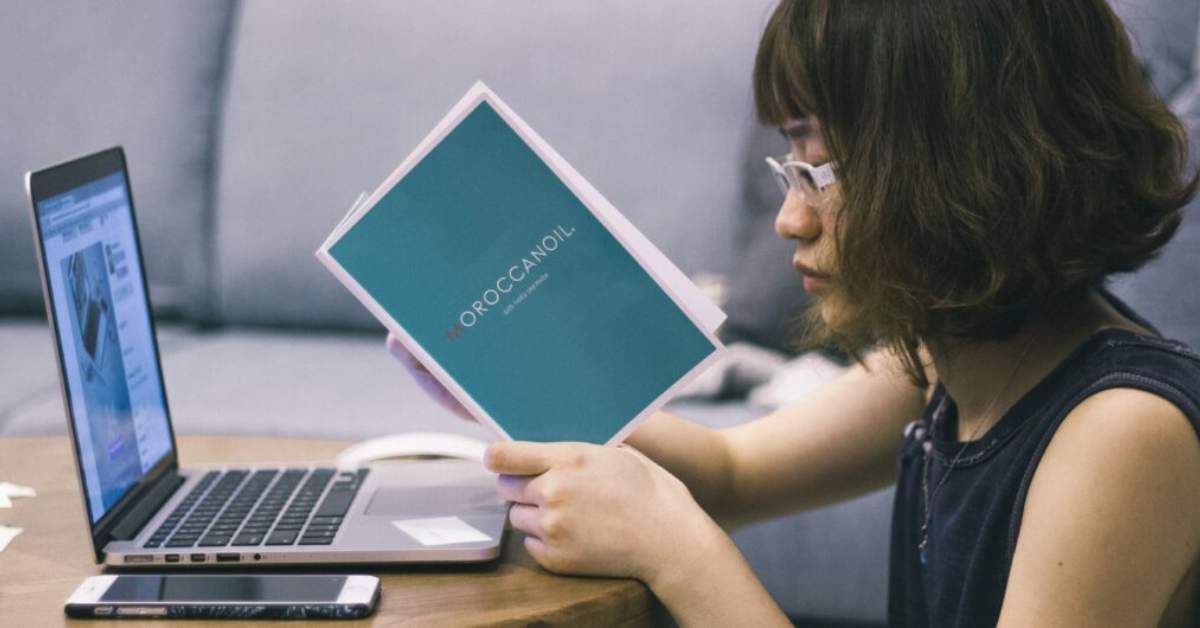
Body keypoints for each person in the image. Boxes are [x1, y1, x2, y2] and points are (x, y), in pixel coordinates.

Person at [391, 1, 1200, 625]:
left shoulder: (1122, 431)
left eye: (823, 171)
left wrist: (678, 553)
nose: (790, 219)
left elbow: (701, 512)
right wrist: (518, 374)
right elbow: (732, 475)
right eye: (792, 165)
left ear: (966, 168)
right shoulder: (945, 363)